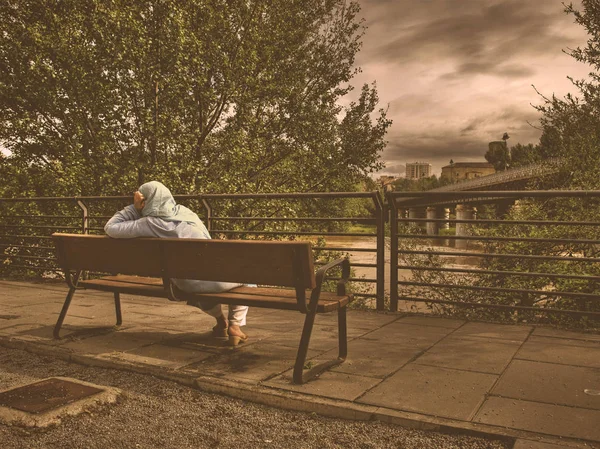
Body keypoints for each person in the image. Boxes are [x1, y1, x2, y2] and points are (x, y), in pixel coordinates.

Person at [104, 181, 249, 345]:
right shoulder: (186, 213)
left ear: (146, 202)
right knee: (247, 277)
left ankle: (221, 321)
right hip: (209, 277)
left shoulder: (149, 224)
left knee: (199, 280)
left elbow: (110, 228)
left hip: (185, 283)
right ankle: (235, 326)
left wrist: (134, 208)